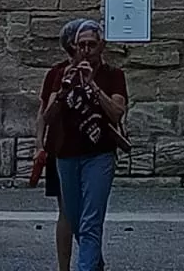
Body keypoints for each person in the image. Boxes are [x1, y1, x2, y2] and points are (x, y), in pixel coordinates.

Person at [38, 17, 127, 271]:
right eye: (81, 45)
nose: (86, 49)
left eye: (92, 44)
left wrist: (93, 86)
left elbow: (117, 112)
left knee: (91, 220)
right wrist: (65, 89)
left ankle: (86, 267)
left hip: (99, 155)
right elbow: (47, 115)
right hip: (66, 154)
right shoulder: (62, 73)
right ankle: (94, 262)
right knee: (74, 219)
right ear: (74, 47)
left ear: (102, 46)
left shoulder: (113, 75)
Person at [35, 19, 87, 271]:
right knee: (67, 211)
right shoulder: (57, 73)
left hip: (90, 148)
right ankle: (64, 267)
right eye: (82, 42)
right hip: (60, 147)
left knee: (89, 211)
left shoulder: (98, 71)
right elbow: (43, 111)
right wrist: (39, 146)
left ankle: (90, 260)